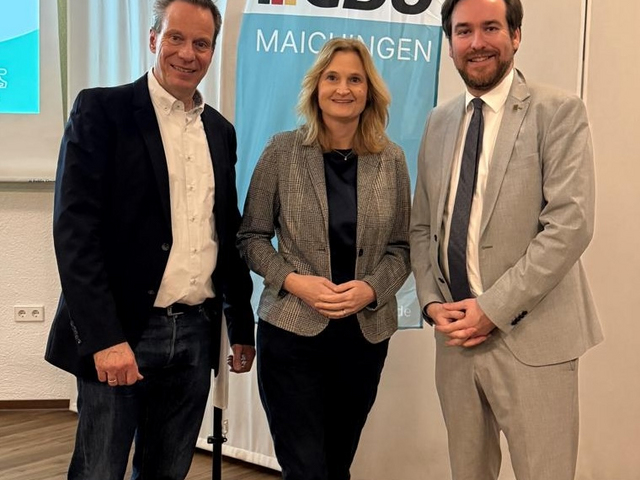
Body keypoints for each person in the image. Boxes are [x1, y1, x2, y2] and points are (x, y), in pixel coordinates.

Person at [44, 1, 256, 479]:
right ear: (153, 38)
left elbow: (226, 233)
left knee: (168, 471)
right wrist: (104, 338)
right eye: (176, 37)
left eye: (201, 43)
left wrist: (241, 325)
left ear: (213, 50)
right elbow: (75, 234)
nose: (187, 53)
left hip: (196, 335)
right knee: (99, 471)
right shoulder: (102, 110)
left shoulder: (219, 131)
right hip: (124, 333)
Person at [409, 0, 604, 479]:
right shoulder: (438, 121)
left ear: (515, 35)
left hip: (534, 340)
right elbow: (422, 227)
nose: (476, 43)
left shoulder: (558, 112)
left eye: (490, 28)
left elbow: (569, 225)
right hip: (456, 340)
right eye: (463, 31)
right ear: (450, 43)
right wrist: (432, 303)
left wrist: (492, 309)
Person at [237, 38, 411, 480]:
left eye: (355, 79)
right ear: (316, 88)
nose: (343, 88)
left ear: (369, 91)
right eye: (332, 77)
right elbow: (251, 237)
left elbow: (402, 247)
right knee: (306, 469)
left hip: (362, 337)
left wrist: (371, 288)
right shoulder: (282, 151)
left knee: (336, 466)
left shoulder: (391, 159)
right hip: (291, 334)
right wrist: (294, 281)